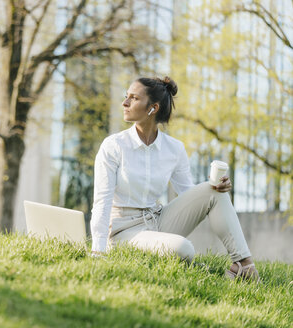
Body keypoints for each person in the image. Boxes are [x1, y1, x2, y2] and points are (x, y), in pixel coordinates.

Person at [90, 76, 259, 281]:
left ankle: (243, 265)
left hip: (158, 220)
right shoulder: (114, 146)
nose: (124, 103)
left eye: (133, 98)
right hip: (123, 231)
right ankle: (200, 267)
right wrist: (98, 252)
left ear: (153, 108)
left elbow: (187, 194)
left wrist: (213, 188)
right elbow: (102, 200)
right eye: (126, 97)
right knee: (182, 248)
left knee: (213, 189)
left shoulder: (174, 148)